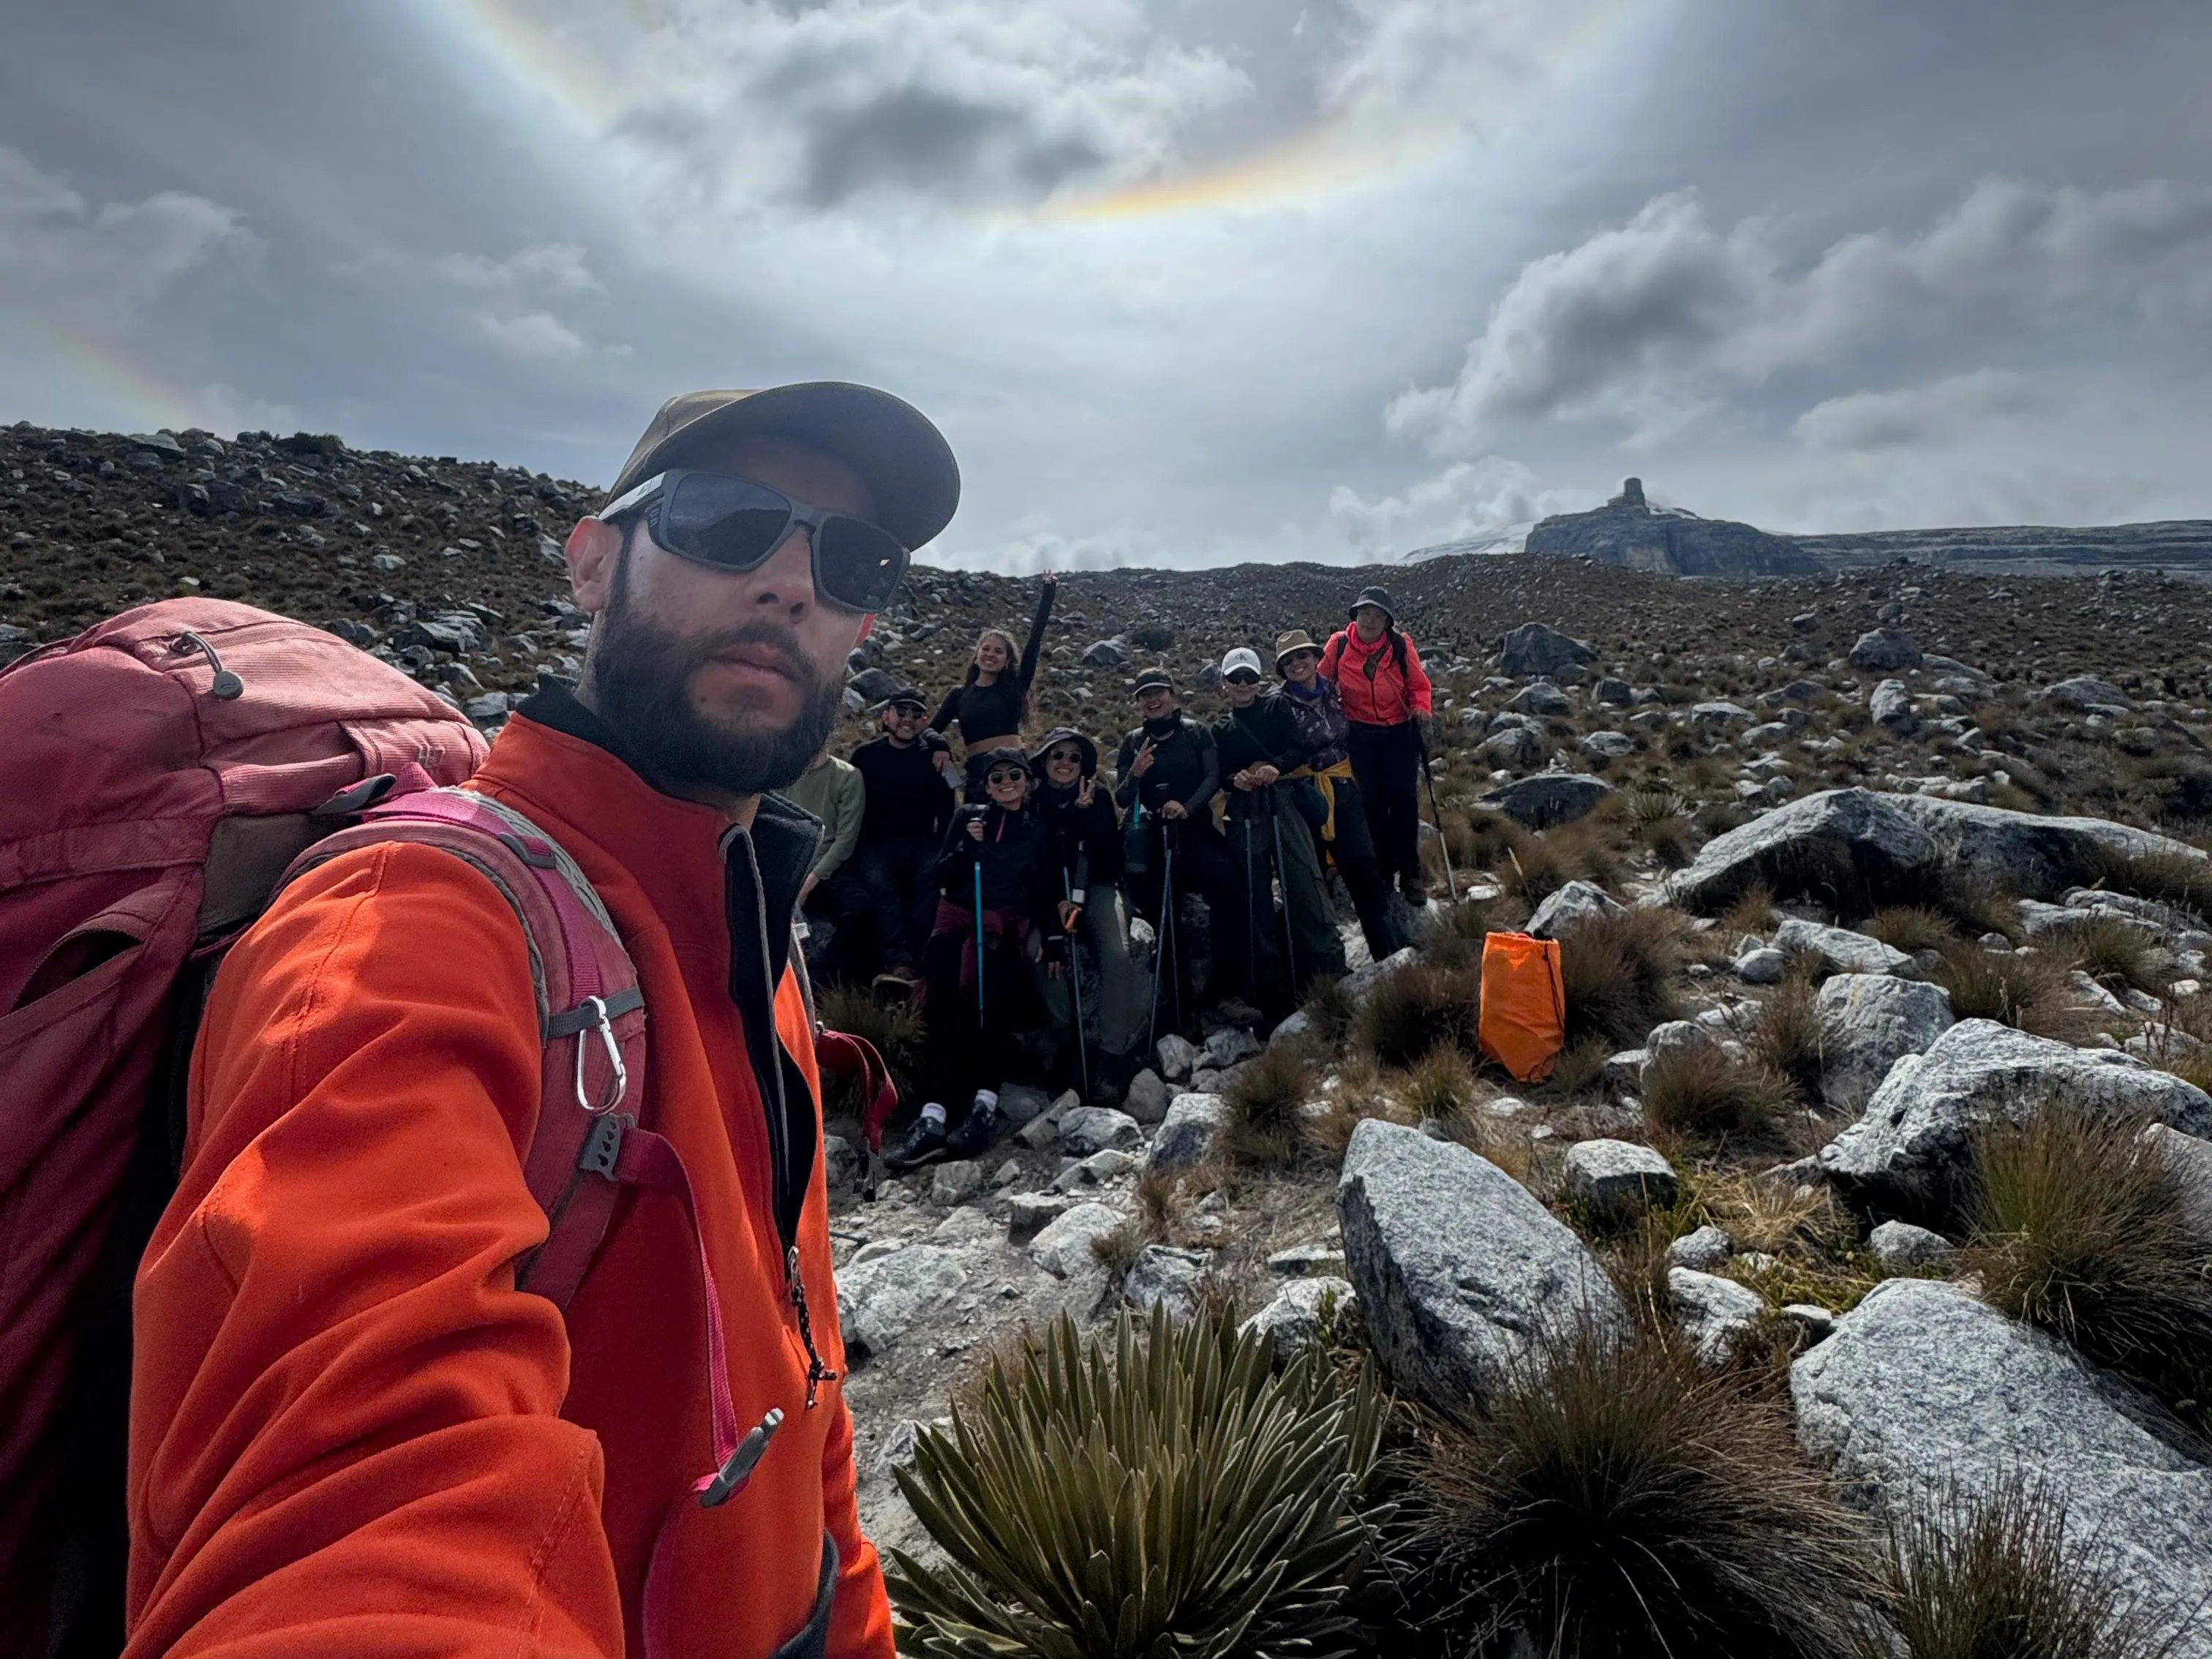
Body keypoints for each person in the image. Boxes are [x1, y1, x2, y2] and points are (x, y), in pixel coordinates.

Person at [123, 381, 960, 1659]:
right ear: (590, 561)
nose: (792, 582)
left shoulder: (750, 929)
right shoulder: (407, 923)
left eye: (849, 560)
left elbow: (802, 1373)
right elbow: (359, 1498)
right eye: (729, 523)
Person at [884, 746, 1062, 1169]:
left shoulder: (1037, 829)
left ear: (1027, 782)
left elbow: (1044, 888)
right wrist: (967, 846)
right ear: (986, 786)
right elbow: (941, 874)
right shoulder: (968, 819)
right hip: (956, 924)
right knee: (943, 1011)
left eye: (1014, 776)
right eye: (997, 778)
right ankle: (932, 1117)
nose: (1006, 784)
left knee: (994, 1012)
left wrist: (1052, 937)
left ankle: (982, 1107)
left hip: (1002, 928)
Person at [1211, 647, 1348, 1010]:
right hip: (1244, 811)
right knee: (1254, 896)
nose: (1243, 684)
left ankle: (1330, 976)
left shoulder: (1276, 708)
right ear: (1224, 683)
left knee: (1304, 883)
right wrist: (1234, 779)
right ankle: (1269, 995)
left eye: (1250, 677)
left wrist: (1275, 767)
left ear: (1259, 681)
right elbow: (1220, 774)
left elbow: (1298, 749)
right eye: (1235, 678)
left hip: (1284, 800)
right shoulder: (1221, 729)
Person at [1112, 667, 1247, 1029]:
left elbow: (1212, 778)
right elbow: (1123, 798)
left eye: (1159, 692)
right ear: (1138, 702)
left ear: (1172, 695)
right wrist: (1136, 772)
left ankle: (1224, 993)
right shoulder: (1132, 742)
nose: (1153, 700)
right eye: (1144, 695)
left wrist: (1186, 807)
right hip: (1149, 839)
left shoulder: (1196, 733)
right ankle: (1180, 1012)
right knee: (1164, 917)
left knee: (1228, 885)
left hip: (1194, 831)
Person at [1275, 627, 1408, 961]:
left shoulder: (1337, 693)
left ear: (1317, 658)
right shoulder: (1276, 708)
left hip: (1345, 794)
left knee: (1365, 873)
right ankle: (1325, 971)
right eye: (1288, 661)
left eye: (1302, 655)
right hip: (1304, 801)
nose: (1297, 664)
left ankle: (1387, 957)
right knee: (1313, 884)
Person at [1028, 726, 1145, 1094]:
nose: (1065, 763)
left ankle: (1111, 1053)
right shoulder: (1032, 802)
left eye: (1074, 757)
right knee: (1041, 956)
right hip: (1051, 895)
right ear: (1045, 761)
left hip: (1096, 888)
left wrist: (1083, 816)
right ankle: (1065, 1041)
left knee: (1117, 955)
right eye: (1057, 755)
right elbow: (1037, 861)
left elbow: (1109, 855)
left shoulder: (1098, 797)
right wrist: (1053, 912)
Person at [1320, 585, 1435, 905]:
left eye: (1378, 615)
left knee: (1403, 801)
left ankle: (1411, 873)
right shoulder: (1339, 645)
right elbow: (1320, 682)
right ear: (1355, 616)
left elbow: (1419, 685)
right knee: (1370, 803)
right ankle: (1384, 869)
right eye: (1364, 613)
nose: (1370, 620)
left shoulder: (1401, 645)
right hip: (1359, 735)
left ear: (1388, 622)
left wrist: (1421, 709)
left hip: (1399, 732)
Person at [848, 685, 956, 988]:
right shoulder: (864, 756)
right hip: (874, 843)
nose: (908, 719)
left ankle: (924, 964)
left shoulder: (939, 760)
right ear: (886, 716)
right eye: (901, 712)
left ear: (925, 721)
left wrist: (946, 851)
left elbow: (950, 806)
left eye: (916, 714)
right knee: (881, 886)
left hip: (922, 841)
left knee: (928, 881)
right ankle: (899, 964)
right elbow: (849, 805)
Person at [928, 572, 1057, 789]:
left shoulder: (1015, 686)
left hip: (1015, 766)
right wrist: (941, 746)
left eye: (998, 652)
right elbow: (930, 731)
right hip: (978, 772)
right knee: (973, 820)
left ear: (1007, 661)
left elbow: (1035, 640)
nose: (990, 654)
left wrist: (1048, 593)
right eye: (986, 649)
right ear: (977, 656)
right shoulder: (959, 695)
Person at [786, 742, 870, 983]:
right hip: (789, 866)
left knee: (860, 910)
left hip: (827, 870)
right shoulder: (785, 775)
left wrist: (808, 884)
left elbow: (845, 841)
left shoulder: (848, 777)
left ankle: (823, 981)